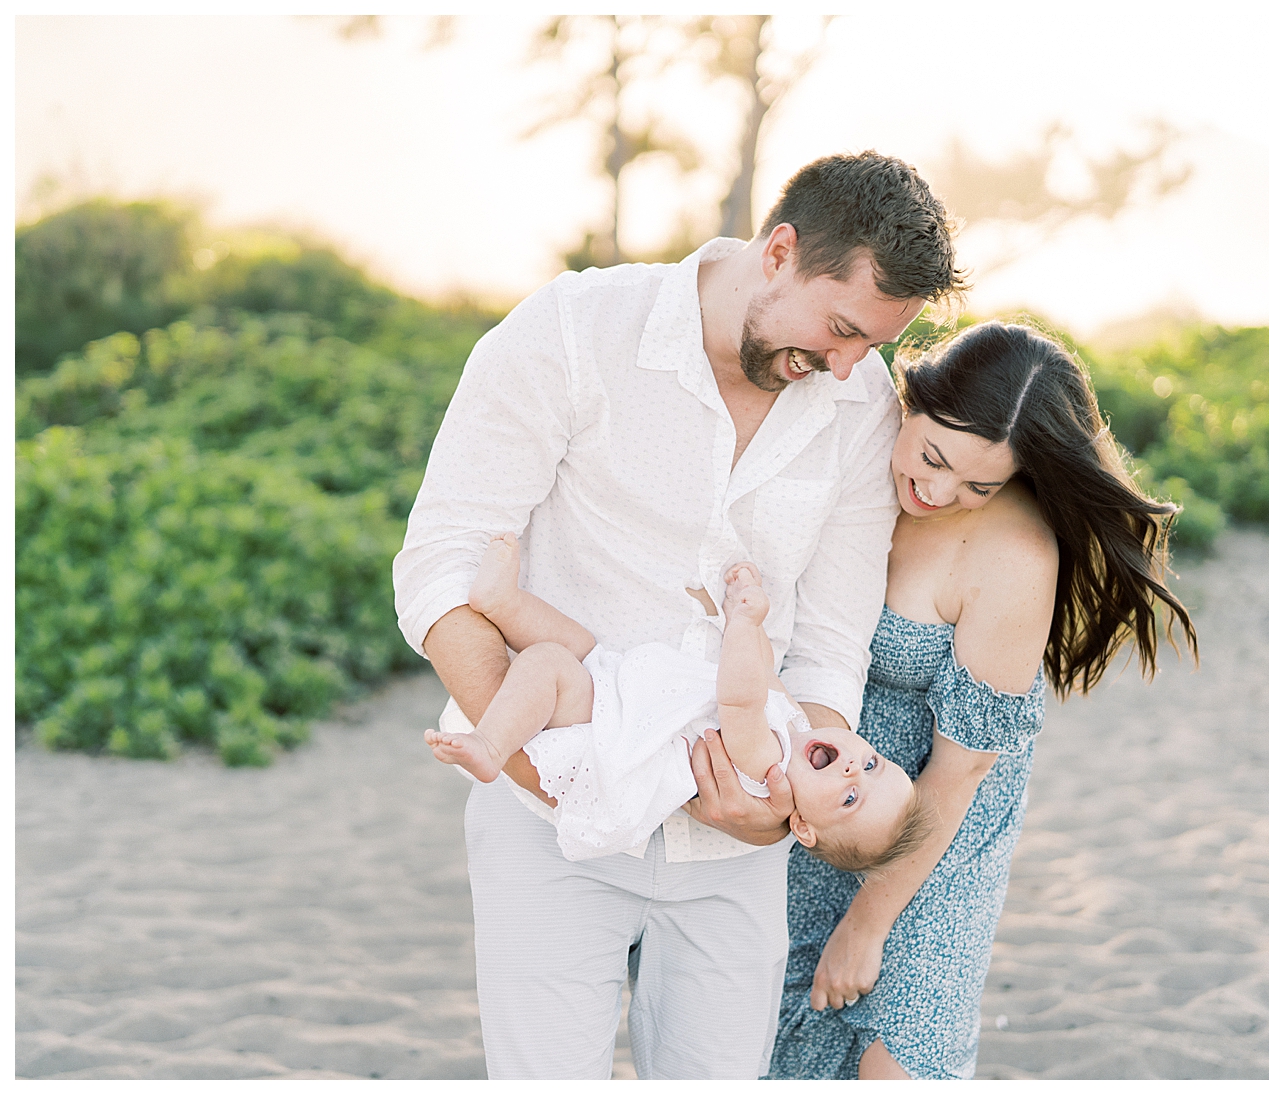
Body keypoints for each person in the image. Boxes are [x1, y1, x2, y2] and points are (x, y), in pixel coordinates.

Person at [392, 151, 963, 1079]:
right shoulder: (574, 330)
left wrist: (773, 808)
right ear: (778, 251)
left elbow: (826, 647)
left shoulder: (859, 405)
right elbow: (442, 566)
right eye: (842, 327)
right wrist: (558, 771)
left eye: (876, 346)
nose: (852, 365)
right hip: (548, 820)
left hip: (734, 857)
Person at [689, 320, 1198, 1080]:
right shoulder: (851, 451)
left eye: (979, 485)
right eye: (933, 457)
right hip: (822, 789)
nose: (939, 491)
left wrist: (867, 923)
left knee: (897, 1058)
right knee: (775, 1047)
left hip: (935, 830)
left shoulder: (1015, 554)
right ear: (912, 397)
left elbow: (959, 775)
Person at [424, 542, 930, 869]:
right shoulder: (794, 729)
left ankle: (489, 744)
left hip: (615, 727)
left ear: (802, 828)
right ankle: (501, 603)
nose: (851, 773)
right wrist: (739, 610)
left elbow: (741, 699)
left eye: (849, 799)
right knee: (578, 643)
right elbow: (767, 675)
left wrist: (744, 625)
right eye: (871, 764)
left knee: (551, 662)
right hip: (632, 691)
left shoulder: (766, 769)